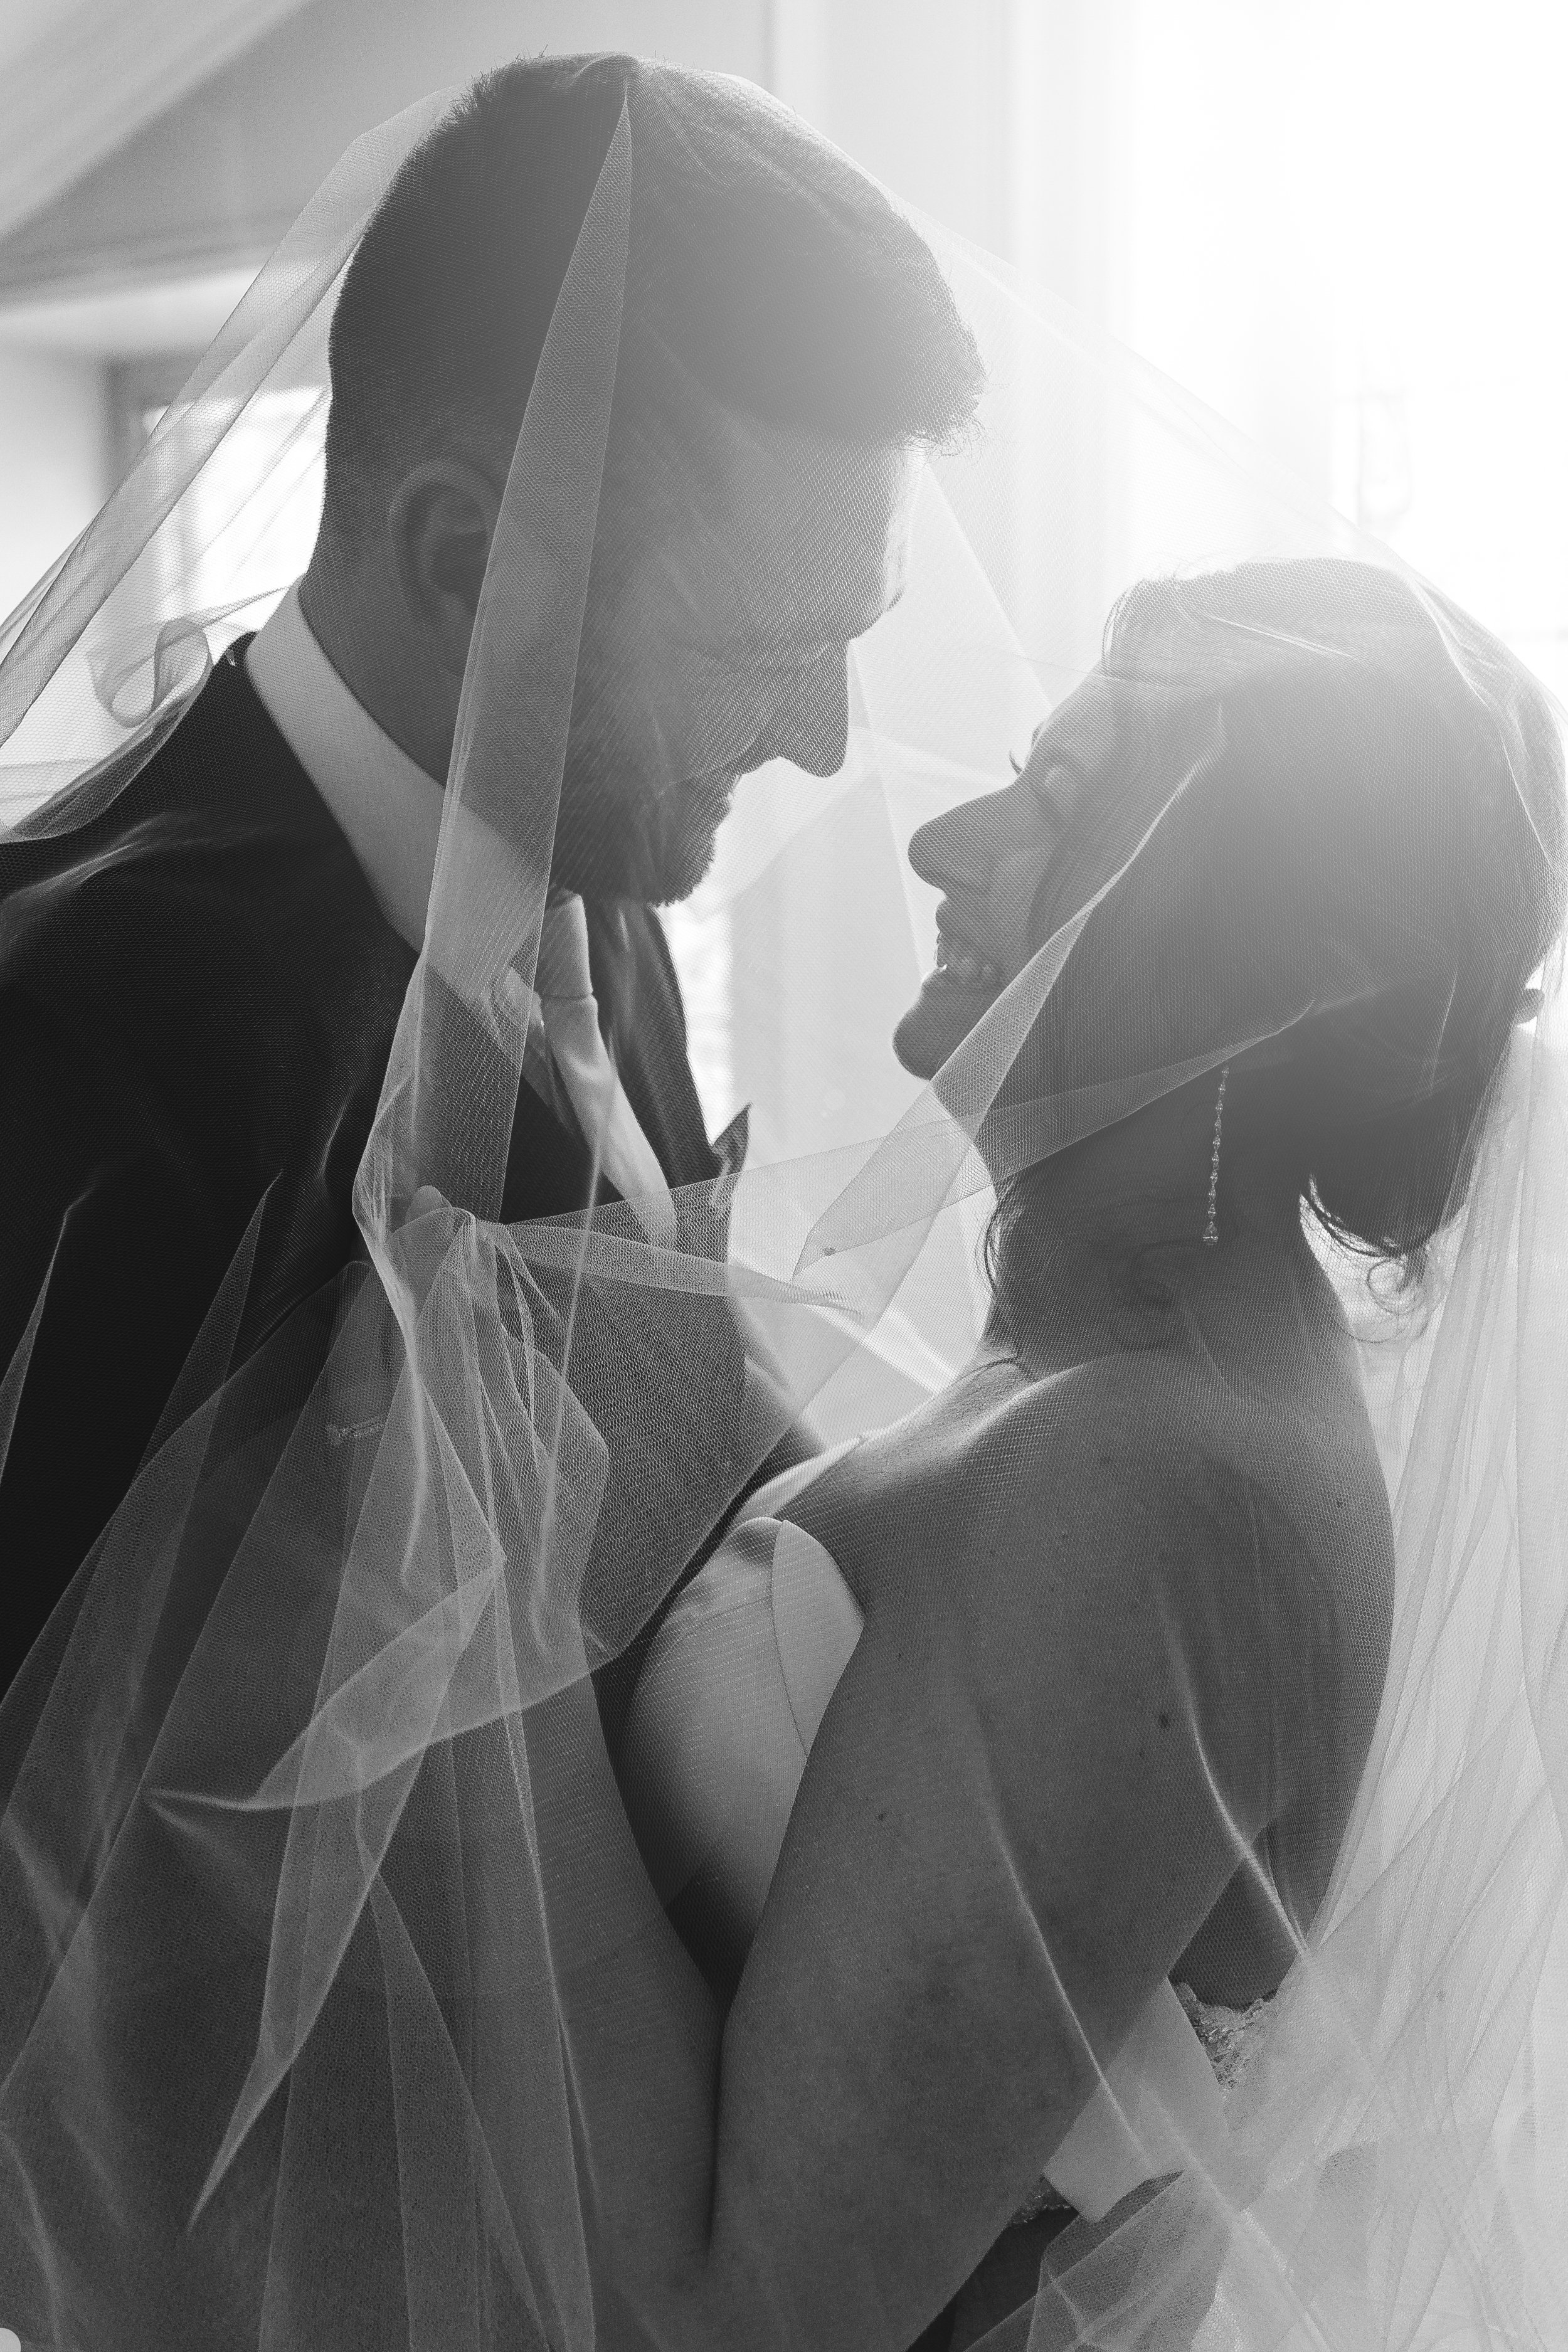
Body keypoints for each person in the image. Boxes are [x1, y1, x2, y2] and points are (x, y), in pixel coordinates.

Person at [615, 558, 1566, 2348]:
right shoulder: (1121, 1378)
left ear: (1272, 979)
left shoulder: (1141, 1488)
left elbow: (749, 2322)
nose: (945, 847)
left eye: (1059, 808)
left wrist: (471, 1674)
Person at [0, 52, 982, 1700]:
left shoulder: (602, 874)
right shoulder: (75, 1043)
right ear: (468, 564)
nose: (817, 746)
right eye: (761, 654)